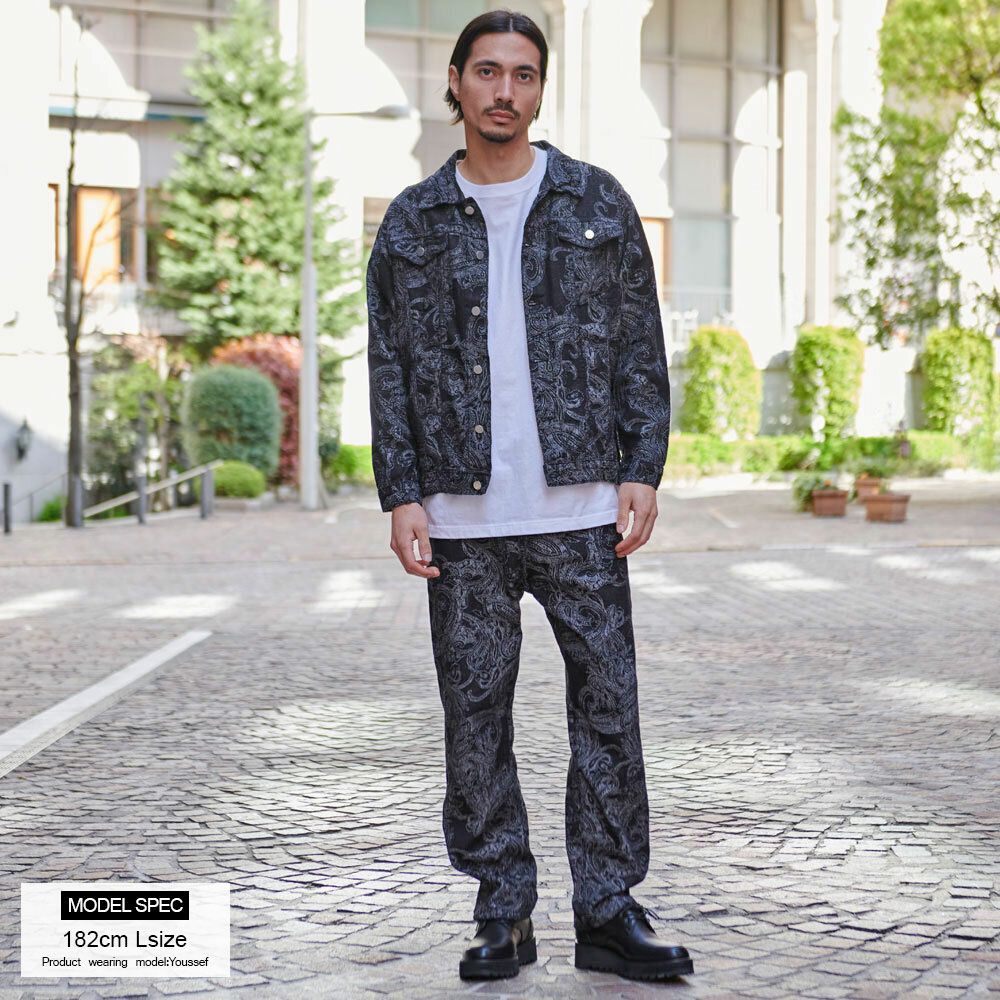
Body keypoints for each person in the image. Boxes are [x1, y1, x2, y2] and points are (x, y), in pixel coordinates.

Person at [366, 8, 693, 984]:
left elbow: (640, 342)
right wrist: (402, 492)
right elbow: (387, 364)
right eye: (487, 72)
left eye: (522, 74)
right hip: (461, 521)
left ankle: (608, 909)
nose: (504, 91)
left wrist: (643, 466)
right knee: (475, 723)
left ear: (540, 89)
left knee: (608, 712)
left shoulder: (596, 201)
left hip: (582, 510)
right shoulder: (413, 221)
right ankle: (501, 910)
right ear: (455, 83)